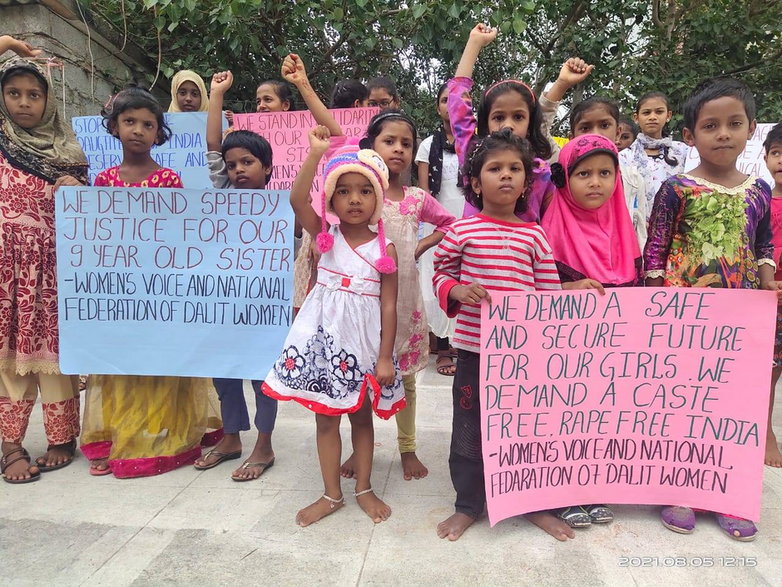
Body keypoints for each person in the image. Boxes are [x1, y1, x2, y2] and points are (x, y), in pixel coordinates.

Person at [645, 78, 781, 541]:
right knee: (683, 403)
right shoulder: (675, 188)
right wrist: (655, 302)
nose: (723, 134)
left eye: (734, 124)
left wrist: (767, 283)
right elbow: (656, 249)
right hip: (684, 319)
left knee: (730, 405)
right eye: (710, 126)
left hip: (741, 319)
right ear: (689, 136)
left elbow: (762, 243)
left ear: (752, 130)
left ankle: (728, 494)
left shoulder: (759, 190)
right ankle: (678, 487)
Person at [432, 129, 573, 542]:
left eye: (515, 169)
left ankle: (530, 504)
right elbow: (442, 273)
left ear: (527, 183)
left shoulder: (535, 236)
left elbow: (547, 293)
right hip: (475, 352)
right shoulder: (462, 232)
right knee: (470, 429)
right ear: (476, 183)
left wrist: (572, 290)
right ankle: (468, 505)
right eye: (495, 169)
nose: (506, 176)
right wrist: (456, 290)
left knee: (525, 430)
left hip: (524, 357)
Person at [262, 127, 405, 526]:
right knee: (326, 419)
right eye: (344, 191)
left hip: (362, 344)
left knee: (360, 417)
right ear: (331, 198)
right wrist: (315, 154)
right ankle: (331, 494)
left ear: (378, 197)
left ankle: (364, 487)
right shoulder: (324, 236)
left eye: (364, 190)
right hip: (323, 344)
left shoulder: (384, 249)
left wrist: (383, 356)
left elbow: (390, 305)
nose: (354, 198)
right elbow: (294, 199)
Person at [80, 86, 219, 478]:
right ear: (113, 127)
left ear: (159, 133)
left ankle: (161, 438)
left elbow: (178, 236)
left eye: (147, 124)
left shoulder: (169, 180)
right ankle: (122, 434)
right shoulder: (103, 182)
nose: (138, 130)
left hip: (159, 291)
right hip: (119, 291)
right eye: (129, 122)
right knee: (123, 365)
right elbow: (93, 237)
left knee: (159, 363)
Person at [343, 110, 456, 480]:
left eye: (406, 144)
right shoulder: (360, 194)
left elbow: (450, 224)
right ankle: (359, 450)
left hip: (404, 301)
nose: (398, 149)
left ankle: (407, 447)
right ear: (370, 146)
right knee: (360, 376)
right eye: (388, 141)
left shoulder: (416, 198)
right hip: (361, 303)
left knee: (404, 378)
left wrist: (418, 247)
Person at [541, 134, 643, 527]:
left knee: (603, 414)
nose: (596, 182)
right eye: (583, 173)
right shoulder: (548, 229)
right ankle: (559, 489)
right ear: (565, 179)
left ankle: (595, 484)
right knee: (562, 415)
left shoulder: (626, 228)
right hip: (563, 353)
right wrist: (565, 288)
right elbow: (534, 290)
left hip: (610, 351)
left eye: (605, 173)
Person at [0, 40, 88, 483]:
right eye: (13, 93)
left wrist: (75, 183)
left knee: (56, 355)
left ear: (49, 100)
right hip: (6, 270)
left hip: (55, 271)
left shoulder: (68, 153)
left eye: (34, 94)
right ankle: (10, 443)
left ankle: (61, 437)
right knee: (10, 358)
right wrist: (11, 45)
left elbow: (94, 218)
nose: (23, 103)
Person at [191, 70, 279, 481]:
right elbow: (212, 145)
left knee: (263, 377)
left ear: (267, 168)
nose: (239, 169)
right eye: (232, 164)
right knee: (223, 370)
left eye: (248, 162)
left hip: (264, 307)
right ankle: (231, 437)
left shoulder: (280, 207)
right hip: (222, 302)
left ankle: (264, 445)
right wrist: (215, 94)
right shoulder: (222, 195)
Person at [448, 24, 553, 223]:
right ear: (486, 124)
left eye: (518, 117)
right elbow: (458, 107)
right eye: (498, 117)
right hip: (474, 251)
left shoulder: (540, 171)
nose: (508, 125)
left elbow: (550, 221)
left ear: (531, 124)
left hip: (524, 253)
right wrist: (474, 44)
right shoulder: (473, 154)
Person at [416, 83, 464, 376]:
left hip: (470, 216)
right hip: (438, 221)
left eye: (456, 100)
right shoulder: (426, 145)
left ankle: (461, 340)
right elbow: (425, 192)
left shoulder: (475, 142)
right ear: (438, 107)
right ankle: (443, 346)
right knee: (436, 280)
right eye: (445, 100)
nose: (450, 105)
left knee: (465, 276)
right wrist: (432, 226)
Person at [568, 96, 648, 248]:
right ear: (572, 137)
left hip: (621, 260)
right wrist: (562, 85)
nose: (596, 134)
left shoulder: (633, 179)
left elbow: (640, 230)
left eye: (604, 125)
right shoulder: (564, 175)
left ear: (618, 133)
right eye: (585, 128)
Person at [620, 91, 689, 218]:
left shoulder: (683, 151)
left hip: (677, 224)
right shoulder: (625, 157)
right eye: (646, 113)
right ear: (636, 118)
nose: (652, 117)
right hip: (638, 227)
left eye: (659, 112)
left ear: (668, 115)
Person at [764, 122, 782, 468]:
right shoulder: (761, 198)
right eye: (777, 153)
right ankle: (765, 430)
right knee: (769, 366)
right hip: (769, 292)